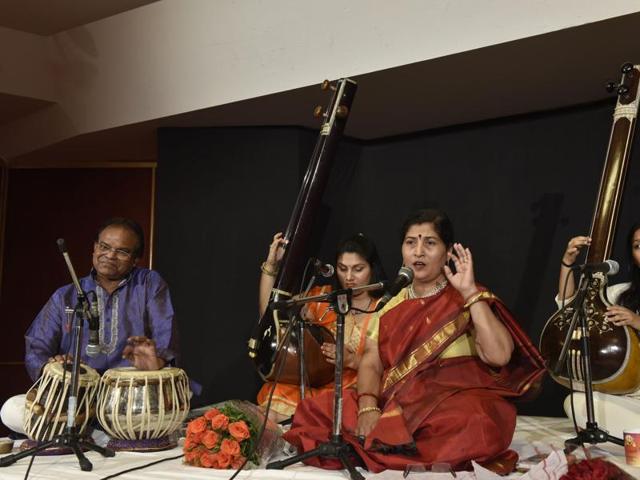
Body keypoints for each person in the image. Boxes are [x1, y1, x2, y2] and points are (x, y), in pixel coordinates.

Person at [283, 209, 545, 473]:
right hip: (398, 403)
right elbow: (371, 363)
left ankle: (384, 445)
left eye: (429, 243)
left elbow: (499, 356)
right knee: (316, 409)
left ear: (446, 251)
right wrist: (367, 407)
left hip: (449, 407)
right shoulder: (390, 305)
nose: (418, 251)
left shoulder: (467, 298)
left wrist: (469, 293)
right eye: (411, 243)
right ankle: (391, 442)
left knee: (478, 419)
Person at [1, 217, 182, 434]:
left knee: (144, 416)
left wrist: (156, 361)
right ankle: (80, 426)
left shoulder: (148, 283)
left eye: (122, 251)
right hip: (76, 398)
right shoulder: (66, 296)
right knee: (11, 409)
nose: (110, 255)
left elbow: (165, 332)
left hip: (129, 398)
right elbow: (36, 346)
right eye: (104, 247)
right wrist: (53, 366)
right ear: (94, 248)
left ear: (135, 260)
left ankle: (87, 430)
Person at [257, 232, 386, 421]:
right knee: (272, 394)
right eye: (342, 268)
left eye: (358, 269)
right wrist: (272, 266)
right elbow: (271, 316)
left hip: (354, 390)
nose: (349, 277)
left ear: (372, 268)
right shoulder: (322, 298)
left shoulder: (384, 307)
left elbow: (388, 367)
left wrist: (350, 360)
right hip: (314, 385)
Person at [556, 224, 640, 438]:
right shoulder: (620, 294)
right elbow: (570, 308)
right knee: (577, 402)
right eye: (638, 246)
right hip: (628, 397)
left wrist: (636, 321)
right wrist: (568, 262)